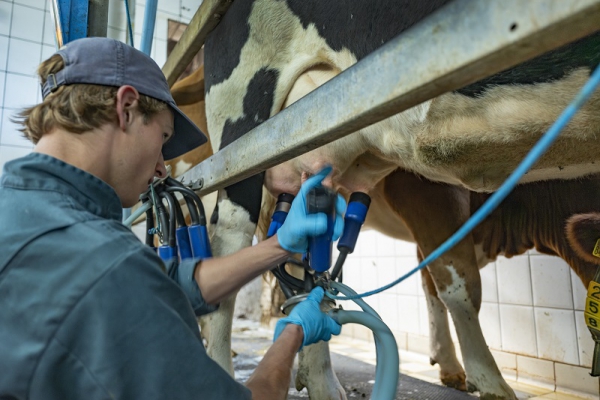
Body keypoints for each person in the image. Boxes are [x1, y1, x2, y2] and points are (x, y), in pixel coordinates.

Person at [0, 37, 346, 400]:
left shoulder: (24, 211)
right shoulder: (105, 267)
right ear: (127, 107)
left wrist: (279, 245)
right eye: (163, 138)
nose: (163, 168)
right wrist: (293, 334)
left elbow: (167, 282)